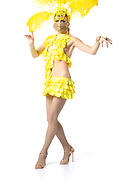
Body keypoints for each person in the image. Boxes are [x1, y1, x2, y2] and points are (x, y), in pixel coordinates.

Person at [24, 12, 112, 169]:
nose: (59, 21)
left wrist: (98, 40)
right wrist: (31, 43)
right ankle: (67, 148)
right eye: (57, 19)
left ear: (68, 22)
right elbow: (35, 55)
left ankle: (43, 153)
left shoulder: (72, 40)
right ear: (53, 22)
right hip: (50, 82)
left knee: (52, 119)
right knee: (51, 120)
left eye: (62, 19)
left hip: (63, 81)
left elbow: (91, 51)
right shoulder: (49, 40)